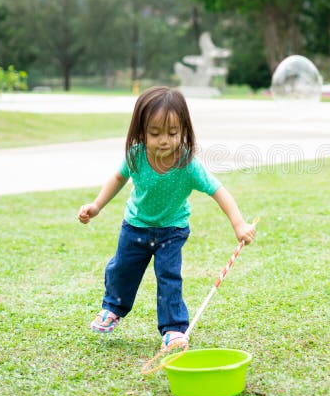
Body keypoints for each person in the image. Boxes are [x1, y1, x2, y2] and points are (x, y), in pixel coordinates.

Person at [78, 86, 256, 350]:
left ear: (184, 129)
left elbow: (218, 190)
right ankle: (112, 309)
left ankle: (173, 329)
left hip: (172, 231)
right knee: (122, 270)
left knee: (169, 277)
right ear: (140, 132)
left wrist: (238, 223)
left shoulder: (187, 164)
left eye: (173, 133)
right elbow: (118, 178)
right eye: (155, 133)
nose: (165, 140)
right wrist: (96, 205)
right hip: (135, 226)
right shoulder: (136, 156)